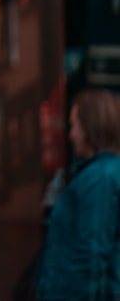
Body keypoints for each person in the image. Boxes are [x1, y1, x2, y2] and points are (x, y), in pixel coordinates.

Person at [36, 88, 120, 301]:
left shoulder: (100, 178)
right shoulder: (94, 175)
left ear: (90, 127)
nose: (71, 135)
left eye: (75, 125)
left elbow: (93, 254)